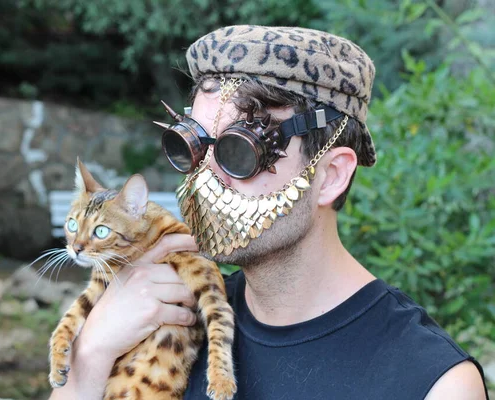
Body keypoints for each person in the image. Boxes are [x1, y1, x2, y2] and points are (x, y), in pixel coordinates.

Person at [50, 26, 488, 399]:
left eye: (240, 150)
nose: (208, 176)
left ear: (332, 175)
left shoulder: (433, 383)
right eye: (195, 145)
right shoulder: (161, 307)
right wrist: (92, 352)